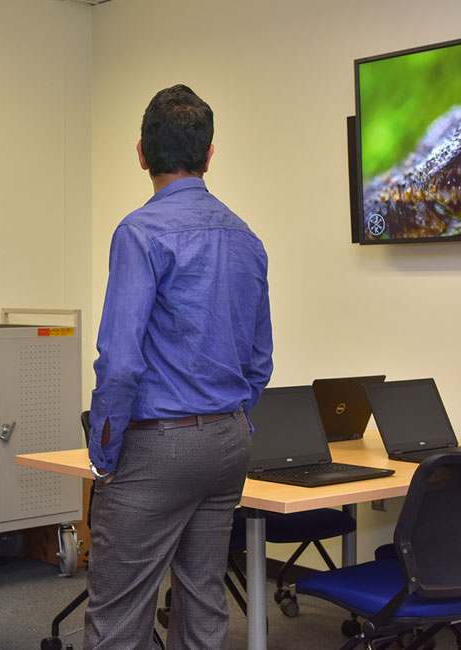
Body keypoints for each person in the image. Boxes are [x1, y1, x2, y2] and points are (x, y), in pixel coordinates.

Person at [85, 84, 273, 650]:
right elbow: (260, 361)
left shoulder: (140, 232)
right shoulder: (247, 237)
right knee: (204, 603)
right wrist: (228, 420)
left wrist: (104, 451)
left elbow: (119, 362)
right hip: (228, 440)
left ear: (141, 153)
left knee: (119, 615)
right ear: (209, 154)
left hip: (158, 447)